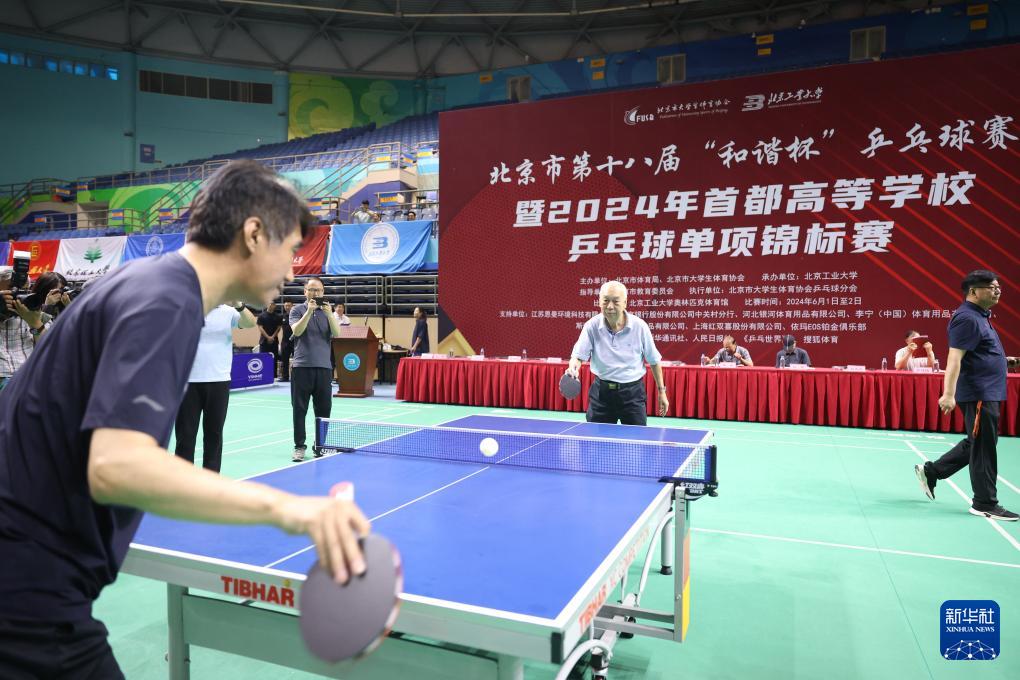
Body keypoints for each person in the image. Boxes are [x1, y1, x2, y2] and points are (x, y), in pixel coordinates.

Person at [0, 160, 370, 679]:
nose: (292, 272)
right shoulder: (166, 299)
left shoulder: (149, 283)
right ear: (253, 234)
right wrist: (293, 510)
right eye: (290, 250)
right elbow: (117, 468)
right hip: (26, 586)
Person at [915, 270, 1018, 521]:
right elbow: (954, 357)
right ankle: (984, 503)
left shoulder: (981, 317)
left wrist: (1004, 361)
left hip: (987, 389)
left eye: (998, 287)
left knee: (978, 442)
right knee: (983, 447)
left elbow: (977, 353)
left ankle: (932, 471)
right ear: (973, 291)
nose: (997, 291)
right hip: (979, 392)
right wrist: (948, 394)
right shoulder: (967, 318)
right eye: (991, 287)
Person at [566, 280, 668, 425]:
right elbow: (577, 357)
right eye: (605, 300)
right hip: (601, 394)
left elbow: (654, 361)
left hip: (632, 394)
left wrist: (662, 392)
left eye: (615, 301)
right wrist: (573, 367)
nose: (610, 306)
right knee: (596, 438)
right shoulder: (591, 326)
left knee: (636, 438)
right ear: (599, 302)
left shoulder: (640, 327)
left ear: (625, 303)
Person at [173, 302, 256, 473]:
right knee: (185, 436)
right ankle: (182, 480)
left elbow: (250, 323)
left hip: (219, 381)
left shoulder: (228, 311)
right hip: (187, 381)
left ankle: (211, 478)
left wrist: (239, 304)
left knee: (214, 436)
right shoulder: (185, 305)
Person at [289, 277, 342, 462]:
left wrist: (330, 315)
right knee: (299, 410)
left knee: (324, 410)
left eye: (318, 290)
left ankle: (320, 446)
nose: (314, 293)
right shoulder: (297, 310)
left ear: (323, 292)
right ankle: (299, 447)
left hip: (324, 368)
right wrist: (309, 311)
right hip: (301, 367)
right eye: (311, 289)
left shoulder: (328, 312)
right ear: (305, 292)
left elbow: (337, 333)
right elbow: (296, 331)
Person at [0, 267, 53, 390]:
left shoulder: (34, 312)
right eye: (11, 290)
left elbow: (48, 350)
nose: (18, 296)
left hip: (29, 376)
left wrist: (35, 324)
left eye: (23, 291)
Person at [257, 301, 283, 375]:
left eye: (272, 304)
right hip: (263, 342)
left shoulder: (278, 316)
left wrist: (272, 337)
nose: (271, 305)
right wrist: (268, 337)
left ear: (275, 306)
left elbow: (278, 328)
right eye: (269, 303)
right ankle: (263, 376)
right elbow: (260, 328)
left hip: (274, 341)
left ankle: (274, 376)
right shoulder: (261, 316)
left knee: (274, 359)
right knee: (263, 359)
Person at [279, 301, 294, 382]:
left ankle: (295, 377)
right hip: (285, 341)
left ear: (292, 306)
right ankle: (285, 377)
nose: (287, 307)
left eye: (289, 305)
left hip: (295, 341)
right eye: (286, 306)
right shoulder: (282, 316)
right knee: (284, 360)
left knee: (296, 361)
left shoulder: (296, 315)